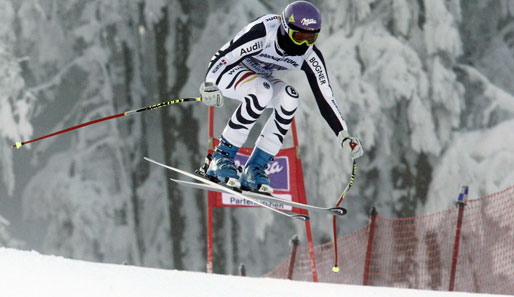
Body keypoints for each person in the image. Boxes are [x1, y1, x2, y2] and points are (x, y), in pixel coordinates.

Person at [199, 1, 363, 194]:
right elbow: (224, 57)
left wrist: (343, 134)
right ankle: (221, 158)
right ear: (285, 28)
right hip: (227, 71)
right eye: (298, 36)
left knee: (290, 98)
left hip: (258, 80)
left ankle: (254, 169)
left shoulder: (309, 55)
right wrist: (209, 85)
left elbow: (325, 94)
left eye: (310, 38)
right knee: (263, 90)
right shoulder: (264, 32)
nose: (303, 43)